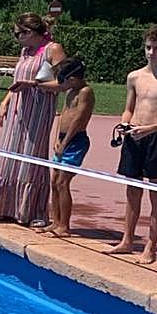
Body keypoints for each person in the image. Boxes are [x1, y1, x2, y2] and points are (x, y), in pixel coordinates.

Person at [105, 25, 157, 264]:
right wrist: (125, 123)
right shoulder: (135, 76)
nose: (151, 53)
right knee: (132, 190)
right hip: (134, 136)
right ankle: (127, 239)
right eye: (148, 47)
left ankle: (150, 246)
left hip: (156, 138)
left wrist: (148, 129)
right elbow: (129, 108)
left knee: (156, 192)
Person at [0, 13, 65, 225]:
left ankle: (30, 210)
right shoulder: (25, 52)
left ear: (34, 31)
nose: (18, 37)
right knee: (10, 155)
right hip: (18, 109)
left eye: (22, 33)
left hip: (38, 110)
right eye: (16, 33)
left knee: (31, 156)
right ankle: (5, 206)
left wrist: (35, 85)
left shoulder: (52, 49)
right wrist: (5, 101)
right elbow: (18, 79)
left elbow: (65, 83)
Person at [47, 58, 95, 237]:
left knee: (62, 182)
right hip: (63, 139)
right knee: (54, 181)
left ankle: (64, 225)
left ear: (73, 78)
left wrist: (65, 142)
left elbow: (78, 120)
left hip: (76, 142)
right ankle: (56, 221)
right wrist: (56, 139)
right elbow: (63, 115)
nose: (62, 85)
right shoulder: (70, 92)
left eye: (63, 81)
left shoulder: (85, 92)